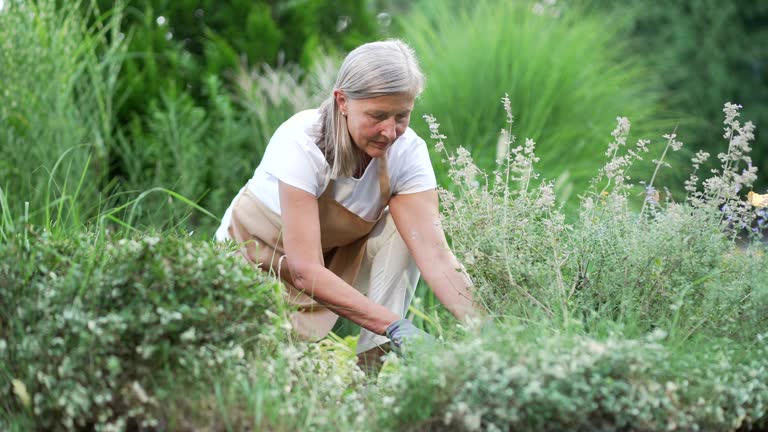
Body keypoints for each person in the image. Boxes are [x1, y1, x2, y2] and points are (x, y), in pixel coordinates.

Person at [215, 39, 479, 373]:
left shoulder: (408, 152)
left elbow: (437, 255)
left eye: (402, 115)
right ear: (343, 101)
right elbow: (304, 270)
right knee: (258, 369)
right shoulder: (301, 140)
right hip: (255, 258)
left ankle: (367, 374)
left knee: (406, 231)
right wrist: (397, 325)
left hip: (330, 262)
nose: (390, 131)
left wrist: (490, 330)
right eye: (377, 115)